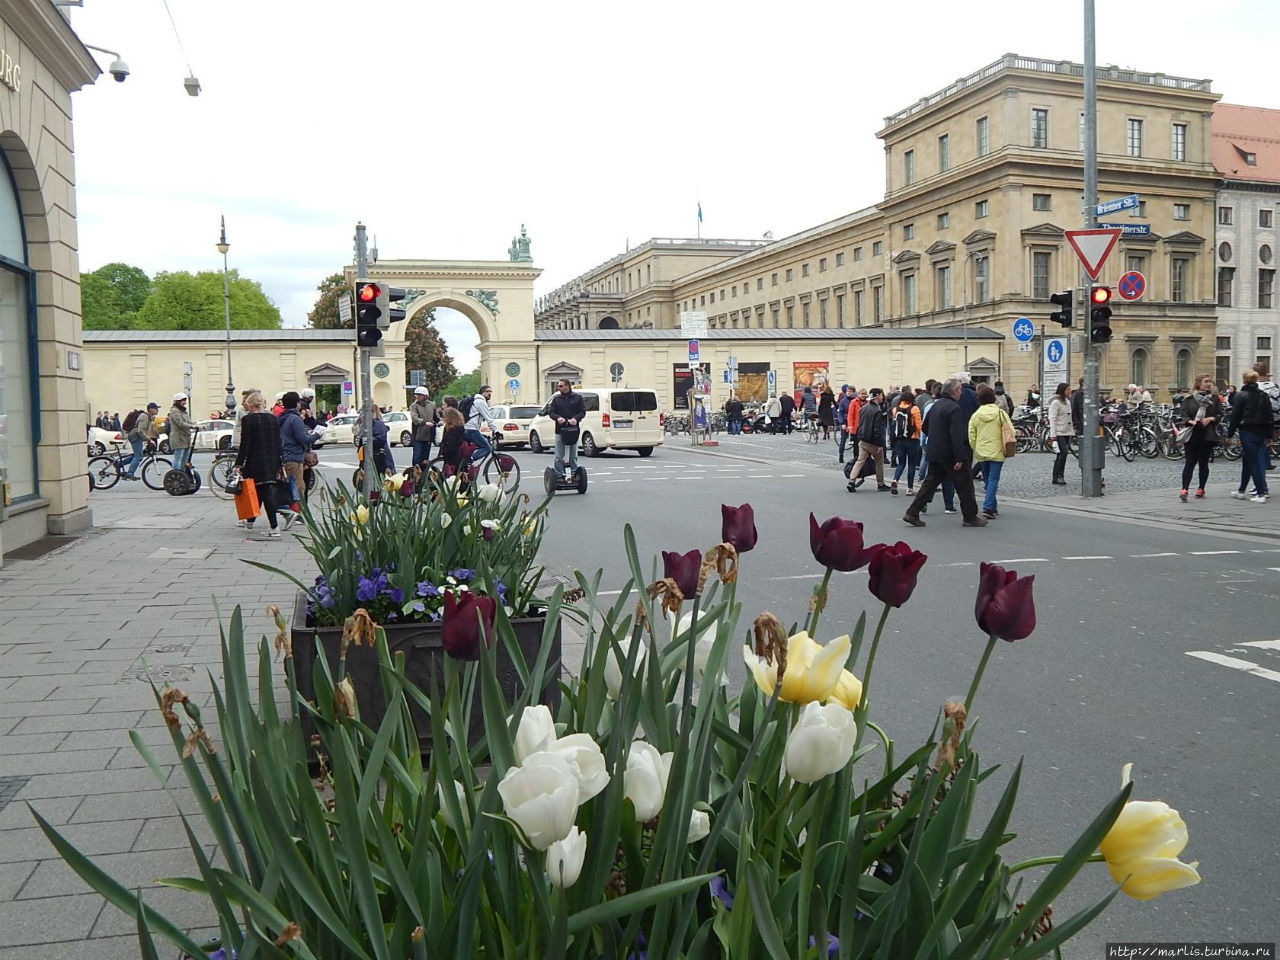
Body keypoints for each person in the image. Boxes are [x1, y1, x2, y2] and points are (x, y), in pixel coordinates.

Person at [903, 378, 986, 528]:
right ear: (954, 392)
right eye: (959, 389)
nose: (961, 392)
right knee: (965, 485)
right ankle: (970, 516)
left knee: (930, 483)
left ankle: (912, 512)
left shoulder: (936, 405)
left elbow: (925, 427)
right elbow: (956, 435)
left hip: (935, 451)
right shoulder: (954, 408)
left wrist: (935, 440)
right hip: (950, 455)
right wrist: (959, 457)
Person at [234, 390, 287, 538]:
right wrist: (280, 461)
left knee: (262, 492)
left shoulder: (248, 420)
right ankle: (250, 521)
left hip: (254, 461)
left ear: (251, 405)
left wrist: (239, 464)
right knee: (261, 491)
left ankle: (274, 527)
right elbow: (278, 442)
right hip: (271, 460)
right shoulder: (273, 419)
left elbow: (245, 444)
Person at [968, 384, 1014, 520]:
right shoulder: (1000, 413)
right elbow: (1010, 430)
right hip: (997, 450)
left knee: (988, 479)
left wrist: (975, 447)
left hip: (981, 451)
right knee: (993, 479)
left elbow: (971, 434)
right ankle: (988, 507)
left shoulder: (976, 415)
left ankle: (993, 507)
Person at [1226, 370, 1271, 503]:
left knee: (1253, 462)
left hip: (1248, 431)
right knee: (1248, 461)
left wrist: (1229, 433)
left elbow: (1235, 416)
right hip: (1261, 431)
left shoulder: (1241, 395)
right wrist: (1269, 435)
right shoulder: (1263, 395)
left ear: (1244, 380)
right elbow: (1269, 416)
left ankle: (1261, 493)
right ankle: (1241, 490)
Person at [1177, 374, 1223, 502]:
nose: (1208, 384)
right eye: (1206, 381)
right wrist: (1190, 421)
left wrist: (1211, 418)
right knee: (1189, 462)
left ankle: (1201, 488)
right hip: (1192, 434)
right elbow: (1183, 415)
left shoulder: (1214, 399)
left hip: (1207, 435)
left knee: (1203, 463)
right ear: (1199, 383)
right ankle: (1184, 489)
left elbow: (1220, 414)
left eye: (1210, 381)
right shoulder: (1189, 399)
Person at [278, 391, 323, 508]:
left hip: (285, 456)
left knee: (289, 486)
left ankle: (291, 512)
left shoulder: (282, 417)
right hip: (294, 457)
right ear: (297, 403)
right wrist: (317, 435)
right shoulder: (294, 419)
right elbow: (302, 438)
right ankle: (297, 514)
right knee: (299, 488)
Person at [848, 388, 891, 492]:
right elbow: (877, 429)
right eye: (881, 395)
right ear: (877, 396)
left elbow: (860, 423)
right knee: (879, 462)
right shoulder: (877, 410)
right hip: (872, 442)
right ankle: (880, 483)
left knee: (860, 461)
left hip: (862, 439)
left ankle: (851, 481)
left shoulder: (863, 408)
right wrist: (880, 445)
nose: (882, 397)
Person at [549, 378, 587, 477]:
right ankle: (559, 474)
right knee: (558, 456)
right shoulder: (556, 399)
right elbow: (551, 412)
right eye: (558, 386)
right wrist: (558, 418)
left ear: (567, 386)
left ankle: (574, 473)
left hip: (573, 430)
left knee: (573, 455)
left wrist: (576, 419)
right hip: (560, 430)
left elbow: (582, 412)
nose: (558, 387)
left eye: (561, 386)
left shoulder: (577, 398)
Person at [889, 386, 923, 496]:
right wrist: (920, 434)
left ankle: (895, 480)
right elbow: (918, 425)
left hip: (900, 439)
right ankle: (909, 488)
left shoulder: (896, 409)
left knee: (901, 463)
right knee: (911, 464)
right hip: (912, 439)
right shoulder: (914, 409)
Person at [123, 402, 158, 480]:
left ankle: (119, 464)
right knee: (139, 457)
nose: (157, 410)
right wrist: (149, 439)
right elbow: (140, 430)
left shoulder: (148, 417)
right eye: (156, 408)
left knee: (137, 455)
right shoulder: (145, 417)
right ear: (151, 409)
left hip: (136, 436)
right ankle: (130, 474)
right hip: (135, 436)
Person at [464, 385, 499, 462]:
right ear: (482, 393)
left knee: (467, 450)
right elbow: (488, 418)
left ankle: (464, 467)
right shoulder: (480, 402)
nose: (489, 393)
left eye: (490, 391)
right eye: (487, 391)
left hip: (467, 428)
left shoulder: (475, 400)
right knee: (487, 448)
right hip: (471, 429)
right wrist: (496, 430)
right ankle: (469, 460)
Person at [1047, 382, 1073, 486]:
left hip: (1066, 431)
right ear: (1063, 391)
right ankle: (1059, 476)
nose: (1069, 391)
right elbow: (1052, 419)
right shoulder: (1055, 403)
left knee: (1061, 455)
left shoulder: (1067, 401)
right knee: (1064, 452)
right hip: (1058, 431)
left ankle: (1057, 476)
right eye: (1068, 389)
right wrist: (1053, 435)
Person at [410, 386, 438, 467]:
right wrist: (425, 422)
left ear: (425, 396)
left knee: (425, 459)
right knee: (417, 458)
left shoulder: (431, 405)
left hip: (428, 435)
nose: (417, 396)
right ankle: (415, 474)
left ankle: (424, 475)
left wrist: (439, 421)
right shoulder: (414, 406)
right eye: (416, 395)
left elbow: (436, 417)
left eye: (419, 395)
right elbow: (414, 418)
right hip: (418, 436)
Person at [167, 393, 195, 473]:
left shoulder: (183, 411)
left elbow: (189, 422)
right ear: (177, 401)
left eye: (185, 400)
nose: (184, 402)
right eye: (182, 400)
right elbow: (180, 424)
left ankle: (182, 474)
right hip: (178, 438)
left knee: (185, 459)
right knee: (178, 458)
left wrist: (197, 425)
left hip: (185, 437)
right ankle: (176, 474)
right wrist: (192, 427)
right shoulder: (175, 411)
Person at [436, 406, 467, 477]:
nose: (443, 419)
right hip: (455, 456)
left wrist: (443, 450)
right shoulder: (459, 427)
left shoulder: (453, 429)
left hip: (453, 457)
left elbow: (450, 444)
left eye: (445, 417)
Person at [835, 386, 854, 462]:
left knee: (856, 440)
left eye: (851, 391)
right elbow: (840, 413)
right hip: (845, 421)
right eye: (848, 391)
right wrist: (842, 423)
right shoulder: (843, 401)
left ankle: (856, 456)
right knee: (843, 439)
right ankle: (841, 456)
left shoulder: (855, 400)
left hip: (853, 422)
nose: (849, 393)